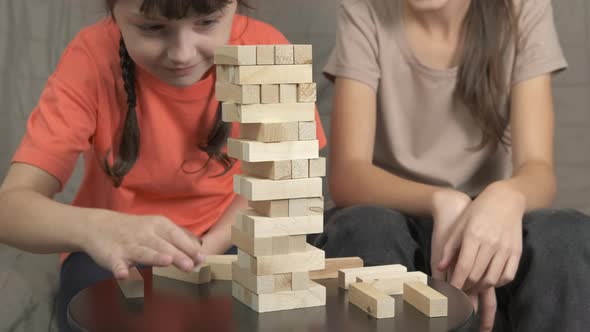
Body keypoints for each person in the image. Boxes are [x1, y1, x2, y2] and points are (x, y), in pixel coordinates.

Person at [0, 0, 326, 331]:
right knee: (93, 308)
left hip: (228, 236)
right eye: (153, 28)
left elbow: (282, 180)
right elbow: (10, 208)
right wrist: (96, 228)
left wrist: (207, 249)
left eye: (207, 23)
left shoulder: (266, 50)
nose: (182, 53)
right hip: (117, 247)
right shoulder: (91, 56)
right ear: (114, 12)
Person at [319, 0, 590, 331]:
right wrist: (442, 200)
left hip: (493, 216)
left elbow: (538, 169)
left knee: (566, 237)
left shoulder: (523, 7)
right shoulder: (366, 9)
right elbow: (348, 174)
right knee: (363, 229)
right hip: (396, 213)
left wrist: (507, 197)